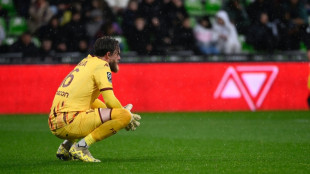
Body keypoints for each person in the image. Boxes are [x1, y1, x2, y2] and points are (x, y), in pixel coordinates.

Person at [48, 36, 141, 162]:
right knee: (123, 116)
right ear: (108, 55)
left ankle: (66, 147)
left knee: (97, 107)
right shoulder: (102, 65)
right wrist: (125, 115)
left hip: (55, 121)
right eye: (117, 54)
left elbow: (91, 101)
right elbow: (110, 101)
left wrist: (118, 112)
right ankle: (81, 147)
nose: (119, 58)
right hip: (69, 122)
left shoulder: (87, 61)